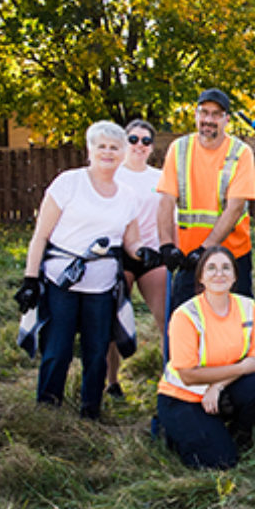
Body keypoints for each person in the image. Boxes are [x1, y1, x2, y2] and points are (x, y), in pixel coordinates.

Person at [14, 121, 151, 420]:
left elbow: (132, 241)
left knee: (97, 352)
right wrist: (30, 279)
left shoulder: (128, 195)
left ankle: (91, 411)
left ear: (124, 153)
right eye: (101, 146)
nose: (107, 152)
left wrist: (147, 253)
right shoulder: (68, 183)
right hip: (60, 281)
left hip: (101, 287)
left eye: (114, 147)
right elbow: (40, 235)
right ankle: (47, 411)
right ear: (89, 149)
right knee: (58, 350)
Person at [157, 247, 255, 469]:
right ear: (201, 277)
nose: (219, 274)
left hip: (219, 390)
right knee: (220, 463)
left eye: (226, 268)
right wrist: (238, 370)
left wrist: (217, 386)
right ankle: (170, 430)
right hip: (184, 396)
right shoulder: (185, 315)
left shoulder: (247, 307)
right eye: (211, 268)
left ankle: (236, 435)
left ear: (234, 276)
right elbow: (187, 375)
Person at [156, 88, 255, 311]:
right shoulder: (179, 149)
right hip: (187, 255)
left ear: (226, 120)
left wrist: (206, 248)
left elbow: (235, 208)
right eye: (204, 113)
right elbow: (165, 200)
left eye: (216, 115)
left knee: (235, 321)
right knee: (185, 322)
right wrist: (165, 244)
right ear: (196, 115)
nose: (209, 120)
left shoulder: (241, 153)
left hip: (231, 255)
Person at [105, 118, 168, 400]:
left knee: (167, 319)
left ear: (152, 147)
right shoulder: (113, 175)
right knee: (112, 321)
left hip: (153, 255)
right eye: (133, 139)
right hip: (120, 255)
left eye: (145, 141)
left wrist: (172, 249)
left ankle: (172, 377)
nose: (139, 145)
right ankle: (111, 382)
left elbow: (170, 217)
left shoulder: (160, 178)